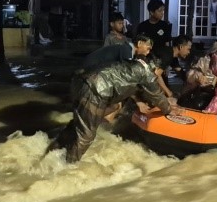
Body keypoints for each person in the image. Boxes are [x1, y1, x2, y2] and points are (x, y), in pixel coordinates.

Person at [49, 57, 179, 162]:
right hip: (95, 88)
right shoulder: (146, 72)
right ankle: (67, 167)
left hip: (80, 82)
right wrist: (169, 110)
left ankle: (53, 151)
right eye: (159, 74)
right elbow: (156, 94)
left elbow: (134, 87)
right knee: (86, 135)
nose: (158, 78)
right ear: (157, 68)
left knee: (79, 124)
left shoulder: (135, 63)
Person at [82, 34, 153, 71]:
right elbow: (128, 71)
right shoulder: (127, 50)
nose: (148, 52)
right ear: (139, 43)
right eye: (148, 48)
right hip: (90, 67)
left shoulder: (127, 48)